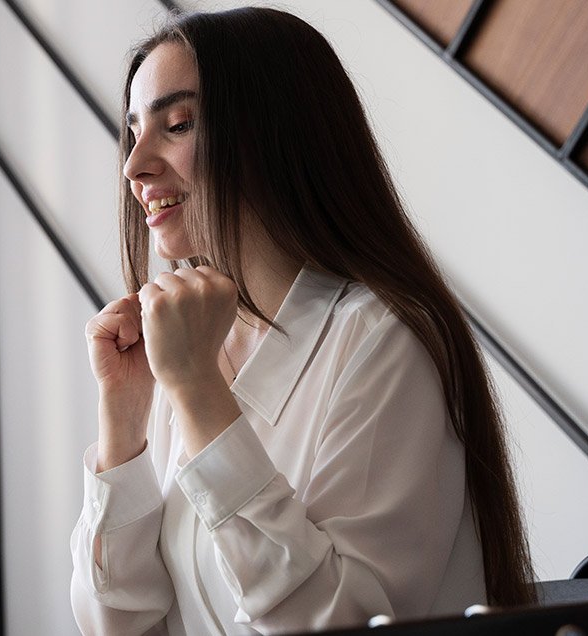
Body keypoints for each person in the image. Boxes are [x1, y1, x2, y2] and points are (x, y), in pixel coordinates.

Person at [70, 7, 534, 635]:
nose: (134, 166)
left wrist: (199, 390)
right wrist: (123, 422)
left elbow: (339, 622)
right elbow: (118, 626)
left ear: (274, 137)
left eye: (176, 125)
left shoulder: (381, 341)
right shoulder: (183, 342)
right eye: (134, 132)